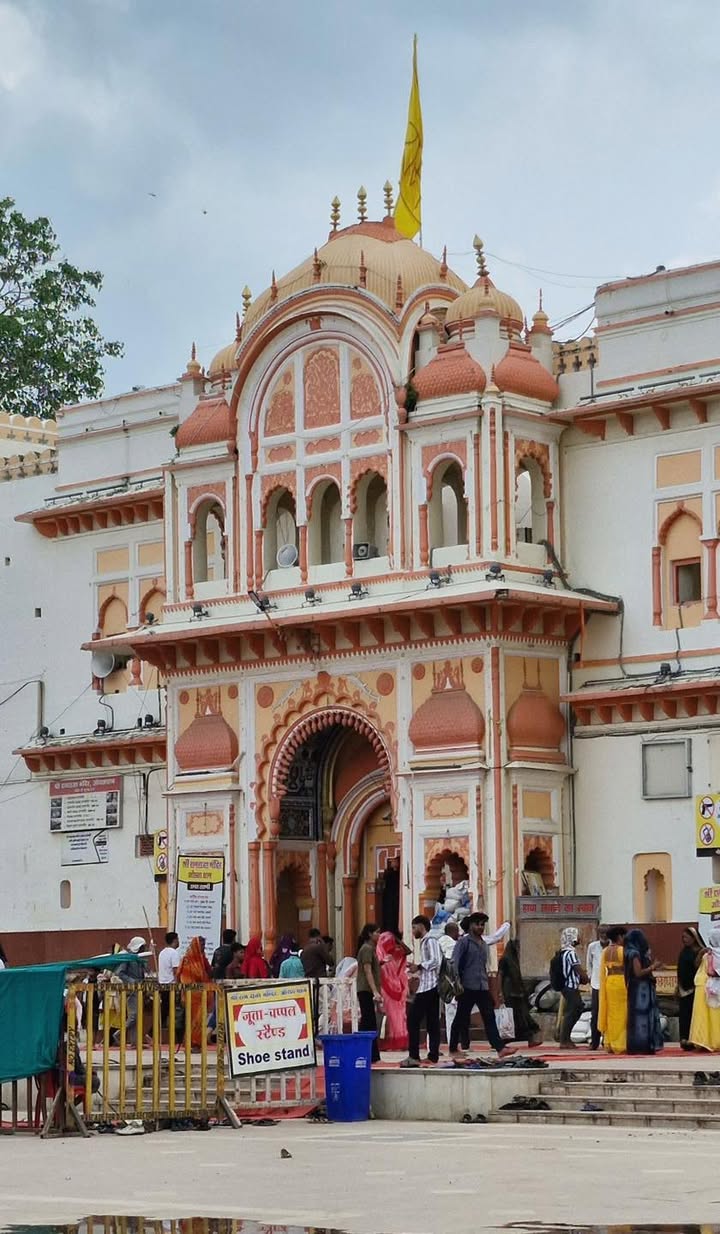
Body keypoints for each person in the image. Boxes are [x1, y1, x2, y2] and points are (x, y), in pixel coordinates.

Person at [449, 912, 510, 1059]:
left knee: (489, 1017)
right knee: (460, 1018)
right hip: (466, 987)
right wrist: (456, 985)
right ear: (470, 926)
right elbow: (454, 964)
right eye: (477, 924)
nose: (480, 927)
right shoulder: (463, 943)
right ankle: (453, 1048)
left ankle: (499, 1048)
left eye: (482, 925)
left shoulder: (483, 944)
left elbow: (483, 966)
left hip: (482, 986)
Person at [400, 916, 442, 1068]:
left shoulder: (430, 940)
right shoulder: (426, 941)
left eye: (414, 927)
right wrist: (417, 968)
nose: (412, 931)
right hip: (428, 985)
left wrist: (419, 966)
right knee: (432, 1021)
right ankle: (433, 1055)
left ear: (421, 926)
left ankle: (414, 1055)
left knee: (413, 1019)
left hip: (429, 986)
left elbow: (436, 961)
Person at [624, 928, 663, 1054]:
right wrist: (653, 967)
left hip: (635, 988)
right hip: (641, 990)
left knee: (636, 1018)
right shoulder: (634, 953)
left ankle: (637, 1045)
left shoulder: (628, 952)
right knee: (642, 1018)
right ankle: (642, 1045)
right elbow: (638, 972)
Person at [498, 937, 542, 1046]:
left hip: (518, 992)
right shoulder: (505, 959)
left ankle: (529, 1038)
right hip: (509, 992)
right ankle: (502, 1041)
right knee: (514, 1017)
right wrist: (500, 992)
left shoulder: (514, 960)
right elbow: (500, 976)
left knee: (522, 1016)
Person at [177, 936, 213, 1046]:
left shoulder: (202, 959)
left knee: (200, 1019)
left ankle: (196, 1041)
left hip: (202, 994)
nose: (203, 947)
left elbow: (209, 972)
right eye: (201, 945)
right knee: (192, 1019)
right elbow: (184, 977)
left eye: (204, 945)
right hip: (191, 994)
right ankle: (192, 1042)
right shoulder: (187, 960)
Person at [377, 930, 409, 1052]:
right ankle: (390, 1041)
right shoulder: (380, 956)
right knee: (391, 1016)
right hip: (386, 989)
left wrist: (397, 939)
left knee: (399, 1016)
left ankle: (399, 1042)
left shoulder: (395, 953)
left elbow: (408, 951)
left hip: (398, 988)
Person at [689, 924, 720, 1052]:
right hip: (707, 987)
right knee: (710, 1016)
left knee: (708, 1016)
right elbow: (697, 965)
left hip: (709, 987)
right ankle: (708, 1041)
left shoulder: (711, 954)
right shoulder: (708, 953)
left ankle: (709, 1041)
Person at [114, 936, 149, 1046]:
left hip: (140, 988)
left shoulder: (139, 958)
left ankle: (135, 1042)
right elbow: (120, 973)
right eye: (143, 947)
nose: (144, 949)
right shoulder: (128, 958)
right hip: (131, 989)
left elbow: (144, 971)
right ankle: (119, 1033)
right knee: (134, 1015)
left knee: (137, 1016)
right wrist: (132, 981)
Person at [598, 925, 628, 1054]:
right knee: (622, 1014)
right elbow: (627, 968)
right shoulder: (622, 950)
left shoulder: (605, 951)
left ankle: (609, 1042)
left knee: (611, 1013)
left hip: (609, 982)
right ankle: (620, 1044)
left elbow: (602, 970)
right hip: (621, 982)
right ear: (619, 937)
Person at [356, 923, 382, 1063]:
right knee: (369, 1022)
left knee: (368, 1022)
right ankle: (370, 1054)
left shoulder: (371, 949)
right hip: (366, 990)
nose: (379, 935)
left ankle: (368, 1054)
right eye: (377, 932)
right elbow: (367, 971)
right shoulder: (366, 949)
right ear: (370, 934)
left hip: (367, 990)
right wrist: (375, 991)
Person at [677, 926, 706, 1049]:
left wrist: (701, 954)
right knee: (684, 1014)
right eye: (683, 937)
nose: (684, 939)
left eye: (686, 937)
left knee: (695, 1014)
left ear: (694, 938)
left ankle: (695, 1039)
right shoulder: (684, 952)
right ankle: (684, 1039)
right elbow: (680, 970)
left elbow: (699, 967)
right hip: (684, 988)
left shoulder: (701, 952)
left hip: (697, 988)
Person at [439, 921, 466, 1048]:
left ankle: (433, 1045)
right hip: (449, 983)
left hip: (438, 983)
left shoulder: (439, 943)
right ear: (453, 932)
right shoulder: (453, 945)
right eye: (457, 932)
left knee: (439, 1015)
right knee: (451, 1013)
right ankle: (452, 1043)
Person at [558, 927, 586, 1049]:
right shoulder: (570, 953)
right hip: (570, 986)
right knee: (572, 1011)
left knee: (575, 1009)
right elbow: (577, 968)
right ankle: (564, 1039)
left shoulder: (563, 952)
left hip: (568, 987)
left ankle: (565, 1038)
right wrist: (586, 978)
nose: (579, 938)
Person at [586, 924, 609, 1050]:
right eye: (601, 933)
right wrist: (591, 978)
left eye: (606, 933)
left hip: (609, 985)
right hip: (596, 985)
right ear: (598, 933)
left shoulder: (613, 947)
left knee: (609, 1013)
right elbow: (589, 964)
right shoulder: (592, 947)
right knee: (595, 1014)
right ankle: (594, 1042)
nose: (604, 935)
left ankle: (607, 1040)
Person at [157, 931, 180, 1030]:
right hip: (171, 984)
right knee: (168, 1009)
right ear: (174, 940)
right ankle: (154, 1030)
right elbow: (176, 971)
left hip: (162, 983)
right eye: (178, 939)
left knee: (165, 1007)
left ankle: (160, 1028)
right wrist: (178, 985)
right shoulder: (174, 953)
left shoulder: (162, 952)